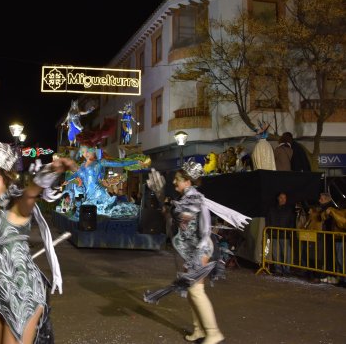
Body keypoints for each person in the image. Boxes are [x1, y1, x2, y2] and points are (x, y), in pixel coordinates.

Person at [0, 138, 76, 344]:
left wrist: (48, 173)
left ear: (0, 178)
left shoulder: (16, 207)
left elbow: (31, 194)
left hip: (21, 295)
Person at [143, 162, 250, 344]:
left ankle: (213, 333)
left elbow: (199, 226)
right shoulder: (185, 198)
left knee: (196, 291)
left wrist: (164, 199)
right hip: (188, 250)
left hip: (199, 250)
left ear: (187, 181)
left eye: (177, 180)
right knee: (192, 291)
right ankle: (199, 330)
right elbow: (174, 219)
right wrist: (163, 201)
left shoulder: (194, 200)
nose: (174, 183)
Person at [62, 144, 149, 218]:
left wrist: (135, 162)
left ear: (93, 152)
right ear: (82, 153)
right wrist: (67, 180)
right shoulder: (81, 166)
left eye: (88, 151)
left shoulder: (99, 162)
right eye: (84, 152)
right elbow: (76, 174)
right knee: (90, 213)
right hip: (88, 195)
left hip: (99, 193)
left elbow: (120, 163)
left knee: (105, 212)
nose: (87, 153)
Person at [265, 192, 296, 275]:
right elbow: (268, 220)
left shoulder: (289, 209)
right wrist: (269, 231)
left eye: (284, 198)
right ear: (278, 198)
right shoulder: (271, 209)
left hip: (285, 235)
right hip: (274, 234)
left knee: (286, 253)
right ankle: (278, 269)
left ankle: (287, 270)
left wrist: (289, 231)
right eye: (281, 197)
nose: (283, 199)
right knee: (276, 253)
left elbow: (292, 221)